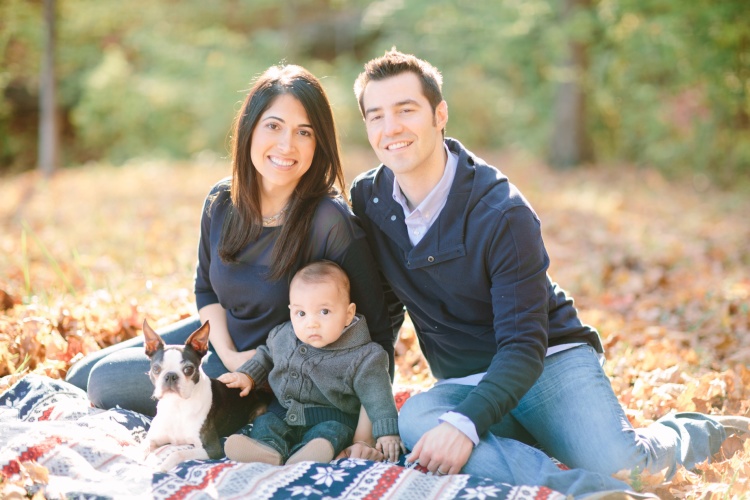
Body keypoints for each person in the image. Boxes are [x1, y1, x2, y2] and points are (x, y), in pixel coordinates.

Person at [349, 49, 750, 496]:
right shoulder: (369, 199)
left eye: (406, 110)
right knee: (419, 422)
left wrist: (464, 423)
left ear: (440, 114)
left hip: (545, 363)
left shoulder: (501, 211)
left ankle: (696, 430)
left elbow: (523, 346)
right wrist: (372, 428)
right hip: (465, 380)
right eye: (376, 116)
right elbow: (384, 317)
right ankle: (584, 491)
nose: (391, 129)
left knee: (625, 464)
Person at [64, 65, 394, 460]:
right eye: (274, 126)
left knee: (102, 382)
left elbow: (377, 332)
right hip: (221, 337)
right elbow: (205, 288)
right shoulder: (223, 199)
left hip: (276, 366)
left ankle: (250, 411)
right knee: (78, 374)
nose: (286, 145)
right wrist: (225, 348)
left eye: (304, 132)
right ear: (250, 129)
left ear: (319, 143)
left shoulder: (328, 220)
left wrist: (365, 434)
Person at [219, 260, 404, 465]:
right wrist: (247, 375)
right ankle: (267, 450)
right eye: (301, 313)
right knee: (265, 424)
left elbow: (378, 396)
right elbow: (266, 355)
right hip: (282, 413)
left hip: (331, 418)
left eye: (324, 311)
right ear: (291, 312)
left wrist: (387, 432)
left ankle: (309, 453)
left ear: (348, 314)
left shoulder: (364, 355)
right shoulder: (282, 335)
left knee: (332, 433)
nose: (311, 323)